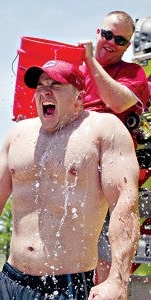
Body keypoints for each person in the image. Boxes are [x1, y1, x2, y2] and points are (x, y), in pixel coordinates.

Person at [0, 60, 140, 300]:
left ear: (79, 96)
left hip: (66, 285)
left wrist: (118, 279)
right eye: (41, 85)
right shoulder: (19, 133)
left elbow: (124, 205)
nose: (45, 90)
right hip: (10, 280)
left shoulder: (104, 129)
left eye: (55, 84)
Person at [78, 10, 150, 283]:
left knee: (108, 248)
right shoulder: (73, 67)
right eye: (107, 34)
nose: (111, 42)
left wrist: (89, 62)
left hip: (110, 167)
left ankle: (110, 287)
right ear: (98, 32)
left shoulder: (133, 72)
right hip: (72, 166)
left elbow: (119, 103)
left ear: (128, 46)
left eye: (120, 40)